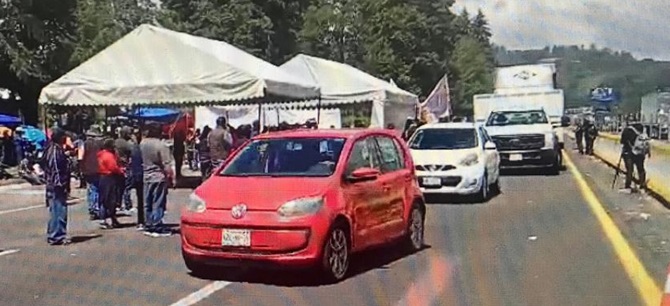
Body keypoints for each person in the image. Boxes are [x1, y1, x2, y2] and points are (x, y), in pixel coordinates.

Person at [140, 124, 175, 237]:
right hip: (158, 176)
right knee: (158, 201)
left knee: (148, 202)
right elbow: (166, 164)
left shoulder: (143, 143)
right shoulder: (161, 145)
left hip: (146, 175)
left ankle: (148, 223)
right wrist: (171, 177)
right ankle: (156, 225)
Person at [44, 128, 71, 245]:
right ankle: (57, 235)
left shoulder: (55, 149)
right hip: (56, 185)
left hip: (53, 184)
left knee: (55, 209)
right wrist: (61, 184)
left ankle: (53, 233)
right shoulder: (55, 150)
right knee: (59, 210)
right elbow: (55, 168)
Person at [620, 117, 650, 193]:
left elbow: (622, 141)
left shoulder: (627, 130)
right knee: (641, 169)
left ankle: (628, 186)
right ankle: (642, 185)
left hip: (628, 153)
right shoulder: (642, 129)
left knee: (630, 170)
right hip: (640, 153)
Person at [97, 139, 123, 229]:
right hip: (109, 177)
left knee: (103, 199)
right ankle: (109, 219)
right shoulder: (108, 156)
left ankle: (105, 219)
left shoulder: (100, 154)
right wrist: (121, 171)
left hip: (102, 177)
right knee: (110, 199)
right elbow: (113, 167)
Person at [80, 125, 104, 220]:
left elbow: (81, 156)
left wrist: (81, 168)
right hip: (98, 168)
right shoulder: (101, 143)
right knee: (97, 188)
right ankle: (96, 208)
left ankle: (92, 208)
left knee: (91, 189)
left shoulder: (85, 144)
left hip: (88, 169)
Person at [127, 130, 144, 230]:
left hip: (137, 175)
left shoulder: (135, 148)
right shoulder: (139, 148)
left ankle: (141, 221)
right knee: (146, 199)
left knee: (140, 199)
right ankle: (147, 220)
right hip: (143, 175)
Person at [115, 126, 134, 213]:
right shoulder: (126, 144)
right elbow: (134, 151)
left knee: (119, 187)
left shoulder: (116, 142)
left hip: (117, 166)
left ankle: (118, 204)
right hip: (125, 166)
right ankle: (128, 204)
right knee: (127, 187)